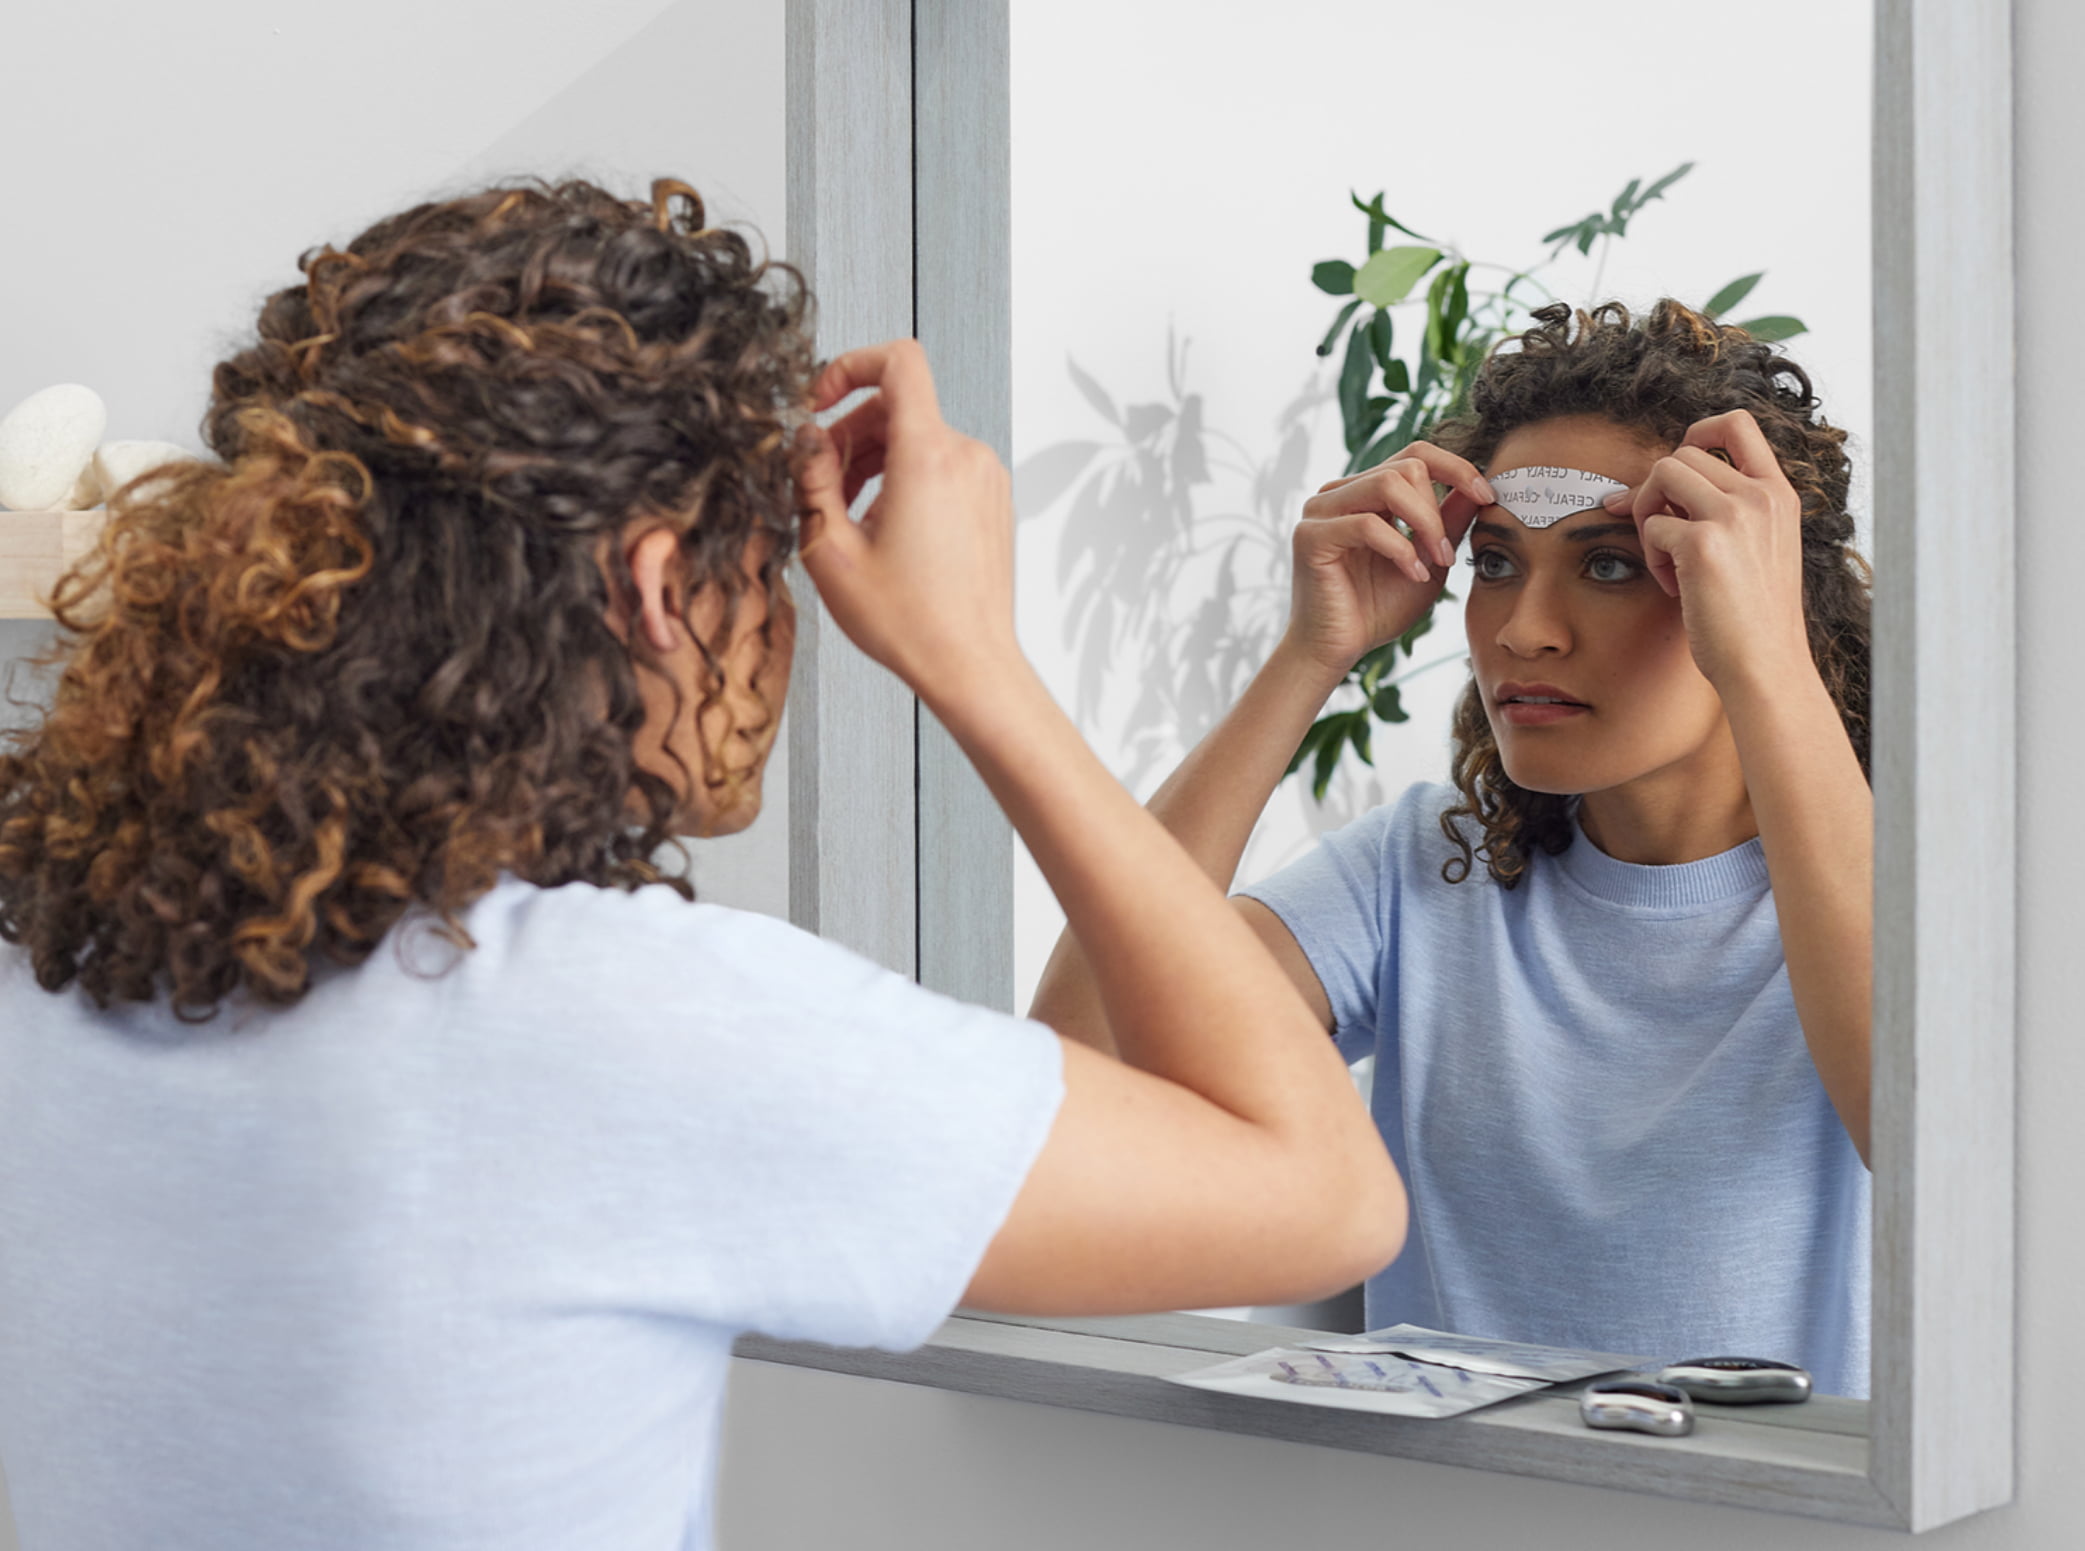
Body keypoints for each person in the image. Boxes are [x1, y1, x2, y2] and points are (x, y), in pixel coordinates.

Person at [0, 177, 1405, 1549]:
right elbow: (1327, 1192)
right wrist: (976, 661)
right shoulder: (618, 1024)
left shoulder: (51, 950)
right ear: (665, 590)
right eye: (774, 564)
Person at [1032, 299, 1873, 1398]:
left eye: (1610, 566)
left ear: (1756, 589)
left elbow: (1930, 1147)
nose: (1524, 628)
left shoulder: (1886, 891)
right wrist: (1306, 660)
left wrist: (1767, 662)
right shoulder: (1426, 869)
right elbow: (1077, 1085)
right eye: (1496, 562)